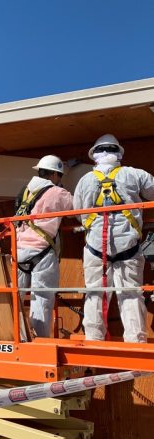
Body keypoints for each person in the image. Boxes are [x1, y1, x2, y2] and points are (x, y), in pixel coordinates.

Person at [73, 134, 154, 342]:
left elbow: (77, 212)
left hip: (95, 248)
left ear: (95, 156)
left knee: (95, 293)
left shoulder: (85, 180)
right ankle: (135, 341)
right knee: (130, 294)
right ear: (118, 154)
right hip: (129, 247)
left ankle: (93, 338)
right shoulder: (134, 174)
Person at [16, 155, 73, 338]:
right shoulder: (58, 193)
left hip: (18, 251)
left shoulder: (24, 191)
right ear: (56, 175)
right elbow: (77, 210)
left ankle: (19, 337)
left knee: (15, 298)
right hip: (42, 253)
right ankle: (40, 341)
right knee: (41, 300)